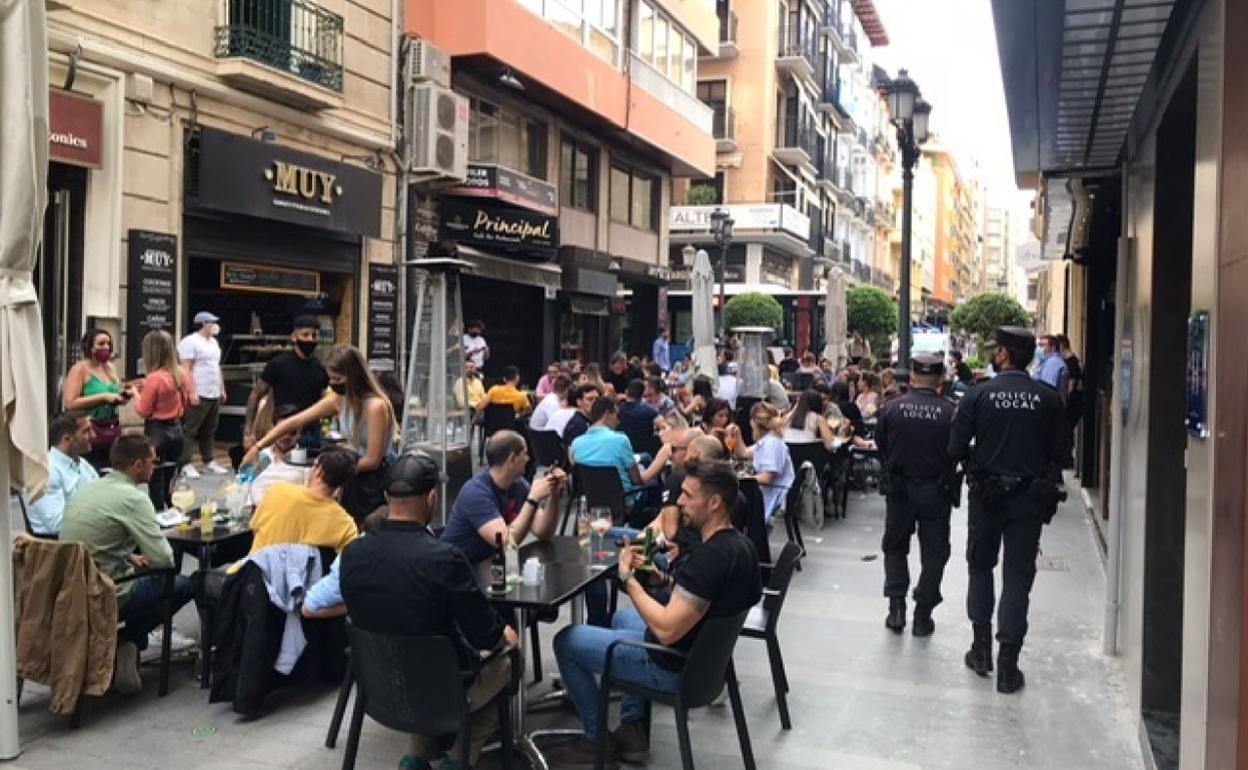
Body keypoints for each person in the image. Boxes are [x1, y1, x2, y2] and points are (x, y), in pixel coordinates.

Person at [548, 460, 762, 765]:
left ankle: (597, 740)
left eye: (688, 495)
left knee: (568, 640)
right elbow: (700, 599)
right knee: (623, 618)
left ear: (714, 503)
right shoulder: (741, 547)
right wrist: (660, 578)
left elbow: (666, 630)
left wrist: (627, 578)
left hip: (674, 668)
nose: (679, 502)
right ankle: (634, 726)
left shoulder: (709, 558)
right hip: (708, 663)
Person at [339, 452, 517, 770]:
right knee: (508, 661)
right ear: (431, 497)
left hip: (379, 684)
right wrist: (505, 635)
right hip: (442, 688)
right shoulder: (444, 558)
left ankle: (417, 756)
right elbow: (485, 634)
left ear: (386, 497)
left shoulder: (352, 553)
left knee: (422, 657)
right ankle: (459, 758)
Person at [949, 327, 1068, 694]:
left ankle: (981, 650)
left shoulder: (978, 394)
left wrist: (978, 460)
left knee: (980, 567)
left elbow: (954, 449)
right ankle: (1007, 666)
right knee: (1018, 578)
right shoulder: (1047, 399)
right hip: (1029, 500)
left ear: (1003, 354)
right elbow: (1063, 455)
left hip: (986, 498)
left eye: (995, 350)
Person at [60, 435, 196, 695]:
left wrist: (128, 555)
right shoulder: (134, 498)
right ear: (136, 465)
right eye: (152, 462)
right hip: (108, 591)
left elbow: (95, 539)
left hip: (72, 587)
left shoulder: (90, 487)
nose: (154, 467)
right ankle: (130, 639)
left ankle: (126, 645)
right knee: (184, 584)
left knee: (151, 574)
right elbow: (164, 558)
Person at [243, 345, 397, 521]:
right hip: (350, 474)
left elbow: (373, 460)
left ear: (352, 376)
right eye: (330, 378)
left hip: (372, 481)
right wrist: (257, 446)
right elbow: (294, 421)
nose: (332, 384)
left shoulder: (375, 406)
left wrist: (331, 470)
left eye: (337, 379)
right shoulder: (339, 400)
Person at [874, 356, 957, 636]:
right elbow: (958, 450)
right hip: (937, 490)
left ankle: (896, 609)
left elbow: (880, 444)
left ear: (911, 377)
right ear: (939, 380)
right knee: (935, 553)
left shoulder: (891, 408)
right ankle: (923, 614)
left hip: (900, 489)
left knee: (895, 547)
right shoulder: (950, 412)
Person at [443, 431, 565, 563]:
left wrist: (554, 495)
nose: (528, 459)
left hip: (491, 566)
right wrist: (533, 498)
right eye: (525, 453)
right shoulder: (476, 493)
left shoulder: (518, 484)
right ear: (512, 458)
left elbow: (544, 532)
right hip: (459, 569)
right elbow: (505, 542)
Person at [238, 446, 360, 566]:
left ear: (319, 471)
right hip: (301, 584)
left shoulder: (278, 491)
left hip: (252, 576)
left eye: (314, 465)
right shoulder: (346, 525)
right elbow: (348, 565)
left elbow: (255, 528)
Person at [244, 315, 328, 451]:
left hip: (313, 432)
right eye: (305, 335)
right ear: (294, 336)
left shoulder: (320, 367)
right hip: (283, 431)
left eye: (314, 335)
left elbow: (323, 399)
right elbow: (256, 394)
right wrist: (248, 432)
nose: (310, 339)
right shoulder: (278, 364)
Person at [134, 330, 194, 510]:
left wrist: (135, 393)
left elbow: (143, 410)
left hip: (157, 432)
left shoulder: (153, 378)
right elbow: (185, 403)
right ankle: (173, 508)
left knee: (155, 478)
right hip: (176, 431)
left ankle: (159, 514)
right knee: (170, 475)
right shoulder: (181, 374)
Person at [62, 328, 133, 467]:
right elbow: (70, 402)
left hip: (112, 427)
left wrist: (123, 395)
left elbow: (115, 392)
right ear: (90, 347)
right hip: (91, 429)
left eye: (108, 344)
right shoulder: (79, 369)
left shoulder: (110, 368)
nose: (106, 347)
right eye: (101, 344)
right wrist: (103, 397)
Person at [570, 398, 658, 508]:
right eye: (617, 416)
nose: (619, 421)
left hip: (593, 503)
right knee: (654, 484)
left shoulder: (576, 444)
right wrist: (660, 461)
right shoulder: (620, 440)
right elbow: (637, 480)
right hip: (624, 502)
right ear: (608, 414)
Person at [26, 410, 98, 536]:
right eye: (86, 431)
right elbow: (57, 525)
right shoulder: (46, 472)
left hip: (88, 536)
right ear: (66, 438)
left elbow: (103, 496)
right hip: (59, 547)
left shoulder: (83, 464)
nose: (93, 435)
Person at [177, 311, 228, 478]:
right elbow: (186, 368)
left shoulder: (213, 342)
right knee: (190, 429)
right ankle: (185, 462)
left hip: (213, 391)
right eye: (211, 322)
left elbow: (217, 366)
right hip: (199, 391)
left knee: (210, 428)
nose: (214, 325)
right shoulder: (190, 342)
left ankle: (209, 460)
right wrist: (191, 391)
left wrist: (222, 388)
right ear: (203, 324)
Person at [728, 402, 795, 523]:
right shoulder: (767, 441)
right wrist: (737, 435)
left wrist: (743, 478)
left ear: (753, 422)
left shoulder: (771, 444)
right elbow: (743, 453)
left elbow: (767, 478)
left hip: (775, 495)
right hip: (773, 491)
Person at [248, 404, 309, 506]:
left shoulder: (304, 460)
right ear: (273, 429)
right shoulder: (262, 455)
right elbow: (246, 486)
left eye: (291, 432)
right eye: (281, 431)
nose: (286, 436)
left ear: (299, 431)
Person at [617, 379, 662, 452]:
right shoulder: (650, 411)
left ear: (626, 392)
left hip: (621, 450)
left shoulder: (617, 408)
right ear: (643, 394)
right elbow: (664, 425)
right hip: (643, 451)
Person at [1032, 334, 1069, 400]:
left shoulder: (1053, 363)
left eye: (1042, 345)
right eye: (1038, 345)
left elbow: (1047, 389)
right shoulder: (1045, 361)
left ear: (1053, 348)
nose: (1038, 348)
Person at [562, 383, 600, 447]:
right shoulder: (575, 426)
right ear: (579, 402)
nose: (594, 402)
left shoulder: (597, 420)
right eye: (590, 399)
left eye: (597, 399)